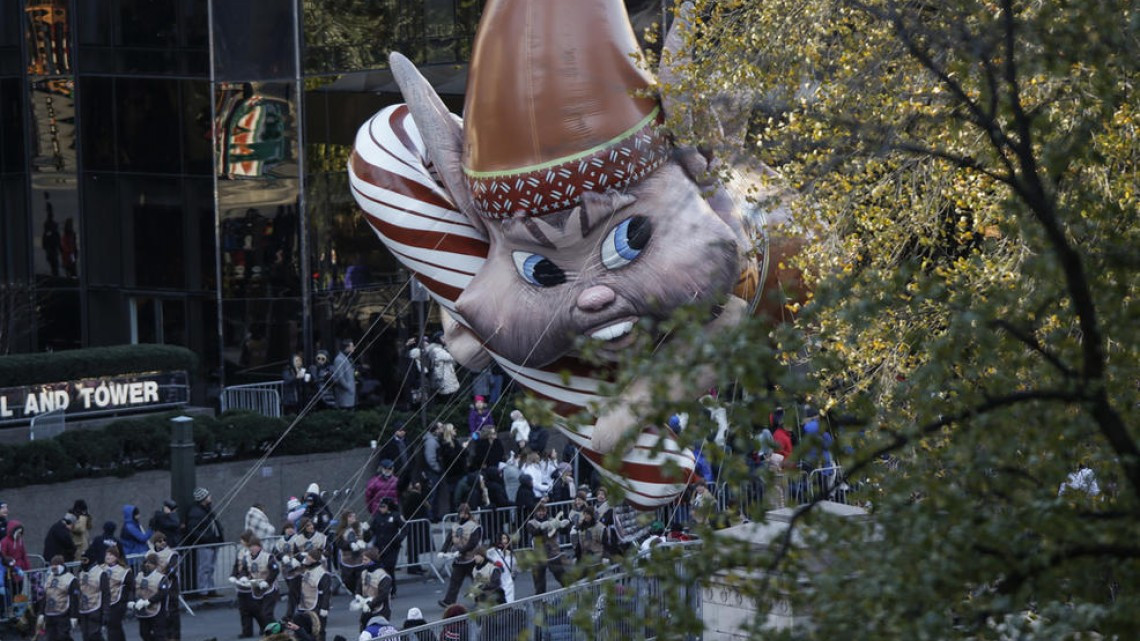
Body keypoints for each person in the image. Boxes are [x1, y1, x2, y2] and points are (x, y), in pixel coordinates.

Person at [437, 503, 481, 609]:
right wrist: (443, 551)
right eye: (461, 513)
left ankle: (481, 599)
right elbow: (449, 540)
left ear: (468, 514)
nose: (462, 515)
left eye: (464, 513)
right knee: (455, 581)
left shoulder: (474, 526)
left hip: (472, 559)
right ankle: (449, 601)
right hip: (459, 559)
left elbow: (473, 542)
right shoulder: (455, 526)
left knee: (476, 581)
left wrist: (461, 551)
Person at [234, 536, 278, 636]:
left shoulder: (268, 557)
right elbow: (244, 569)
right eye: (250, 546)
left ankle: (278, 631)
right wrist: (243, 577)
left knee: (267, 613)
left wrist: (267, 582)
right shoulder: (247, 557)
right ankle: (269, 630)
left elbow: (275, 570)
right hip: (256, 589)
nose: (252, 548)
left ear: (259, 547)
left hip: (269, 589)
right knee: (260, 612)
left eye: (254, 546)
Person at [524, 499, 570, 594]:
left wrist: (563, 525)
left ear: (546, 511)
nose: (541, 513)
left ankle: (572, 593)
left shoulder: (552, 520)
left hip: (553, 554)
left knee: (562, 576)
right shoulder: (530, 523)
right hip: (538, 555)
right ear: (535, 512)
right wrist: (541, 528)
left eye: (543, 511)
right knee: (539, 582)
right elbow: (533, 533)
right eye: (539, 511)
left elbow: (563, 532)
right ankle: (541, 603)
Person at [185, 487, 224, 596]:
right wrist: (205, 538)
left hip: (212, 542)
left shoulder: (207, 509)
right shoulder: (196, 512)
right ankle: (203, 591)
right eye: (208, 496)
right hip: (205, 543)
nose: (210, 497)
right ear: (203, 498)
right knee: (204, 568)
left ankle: (210, 589)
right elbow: (193, 529)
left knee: (210, 568)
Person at [367, 499, 404, 596]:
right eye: (380, 507)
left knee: (389, 567)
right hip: (380, 546)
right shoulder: (377, 517)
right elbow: (372, 530)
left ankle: (392, 590)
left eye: (383, 507)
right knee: (380, 567)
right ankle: (383, 588)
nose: (381, 509)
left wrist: (399, 538)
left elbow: (405, 527)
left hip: (392, 546)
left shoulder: (395, 516)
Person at [130, 553, 171, 641]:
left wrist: (149, 601)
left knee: (159, 635)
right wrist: (132, 601)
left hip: (158, 611)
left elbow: (163, 593)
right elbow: (133, 589)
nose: (147, 565)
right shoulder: (139, 576)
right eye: (146, 562)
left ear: (155, 565)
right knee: (144, 633)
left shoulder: (161, 578)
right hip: (142, 610)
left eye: (150, 563)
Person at [150, 532, 181, 641]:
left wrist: (168, 570)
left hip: (171, 586)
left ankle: (175, 637)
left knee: (172, 612)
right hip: (155, 587)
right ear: (155, 543)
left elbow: (173, 569)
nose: (163, 543)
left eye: (164, 540)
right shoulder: (149, 554)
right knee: (160, 613)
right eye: (160, 541)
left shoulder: (172, 554)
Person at [42, 554, 79, 641]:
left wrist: (74, 616)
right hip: (49, 614)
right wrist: (41, 613)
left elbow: (74, 599)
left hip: (63, 614)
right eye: (52, 565)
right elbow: (45, 596)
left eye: (56, 564)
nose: (53, 567)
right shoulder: (49, 578)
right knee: (50, 638)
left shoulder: (71, 579)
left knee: (62, 637)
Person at [296, 549, 331, 641]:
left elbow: (326, 592)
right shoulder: (306, 568)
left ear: (314, 560)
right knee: (304, 631)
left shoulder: (323, 573)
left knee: (319, 631)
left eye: (308, 557)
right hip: (304, 605)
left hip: (317, 606)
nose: (306, 559)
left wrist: (324, 607)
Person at [352, 548, 391, 626]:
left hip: (381, 610)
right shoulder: (364, 573)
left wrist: (370, 605)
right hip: (366, 609)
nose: (363, 562)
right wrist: (358, 596)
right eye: (363, 559)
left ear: (372, 561)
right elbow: (359, 586)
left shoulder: (383, 576)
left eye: (365, 560)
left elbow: (383, 595)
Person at [334, 511, 368, 599]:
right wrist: (349, 545)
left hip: (360, 557)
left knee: (361, 577)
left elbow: (367, 539)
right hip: (347, 558)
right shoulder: (341, 530)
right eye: (350, 517)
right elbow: (338, 543)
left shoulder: (360, 527)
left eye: (354, 516)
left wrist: (367, 531)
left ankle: (359, 594)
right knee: (347, 579)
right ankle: (354, 592)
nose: (353, 518)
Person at [76, 550, 109, 641]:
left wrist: (105, 612)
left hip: (96, 609)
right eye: (81, 560)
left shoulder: (101, 574)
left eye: (85, 560)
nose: (83, 563)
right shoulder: (80, 573)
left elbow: (106, 594)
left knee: (94, 635)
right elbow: (78, 591)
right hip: (83, 609)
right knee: (85, 636)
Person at [103, 545, 133, 641]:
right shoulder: (101, 568)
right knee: (115, 627)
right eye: (107, 554)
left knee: (112, 627)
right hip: (105, 602)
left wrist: (131, 600)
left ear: (116, 557)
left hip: (118, 603)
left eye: (111, 555)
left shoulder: (124, 571)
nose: (108, 557)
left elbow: (132, 586)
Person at [399, 481, 429, 574]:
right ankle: (413, 566)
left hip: (413, 522)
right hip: (414, 522)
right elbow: (426, 503)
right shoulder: (413, 495)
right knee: (414, 545)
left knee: (414, 545)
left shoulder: (408, 495)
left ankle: (415, 565)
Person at [422, 422, 446, 521]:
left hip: (433, 471)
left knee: (434, 495)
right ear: (435, 430)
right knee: (432, 495)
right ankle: (431, 516)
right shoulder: (431, 442)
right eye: (440, 428)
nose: (442, 430)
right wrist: (438, 468)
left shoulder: (433, 440)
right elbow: (430, 459)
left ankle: (434, 515)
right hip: (432, 472)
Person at [486, 533, 517, 603]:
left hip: (509, 584)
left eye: (506, 538)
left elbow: (514, 570)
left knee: (509, 604)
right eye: (503, 538)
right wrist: (496, 547)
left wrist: (513, 576)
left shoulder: (512, 556)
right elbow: (487, 553)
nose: (504, 541)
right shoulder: (495, 553)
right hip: (498, 584)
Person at [332, 339, 357, 410]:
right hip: (344, 394)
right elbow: (340, 377)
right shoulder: (339, 359)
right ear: (347, 347)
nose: (354, 348)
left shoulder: (347, 358)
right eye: (352, 346)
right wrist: (348, 387)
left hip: (350, 393)